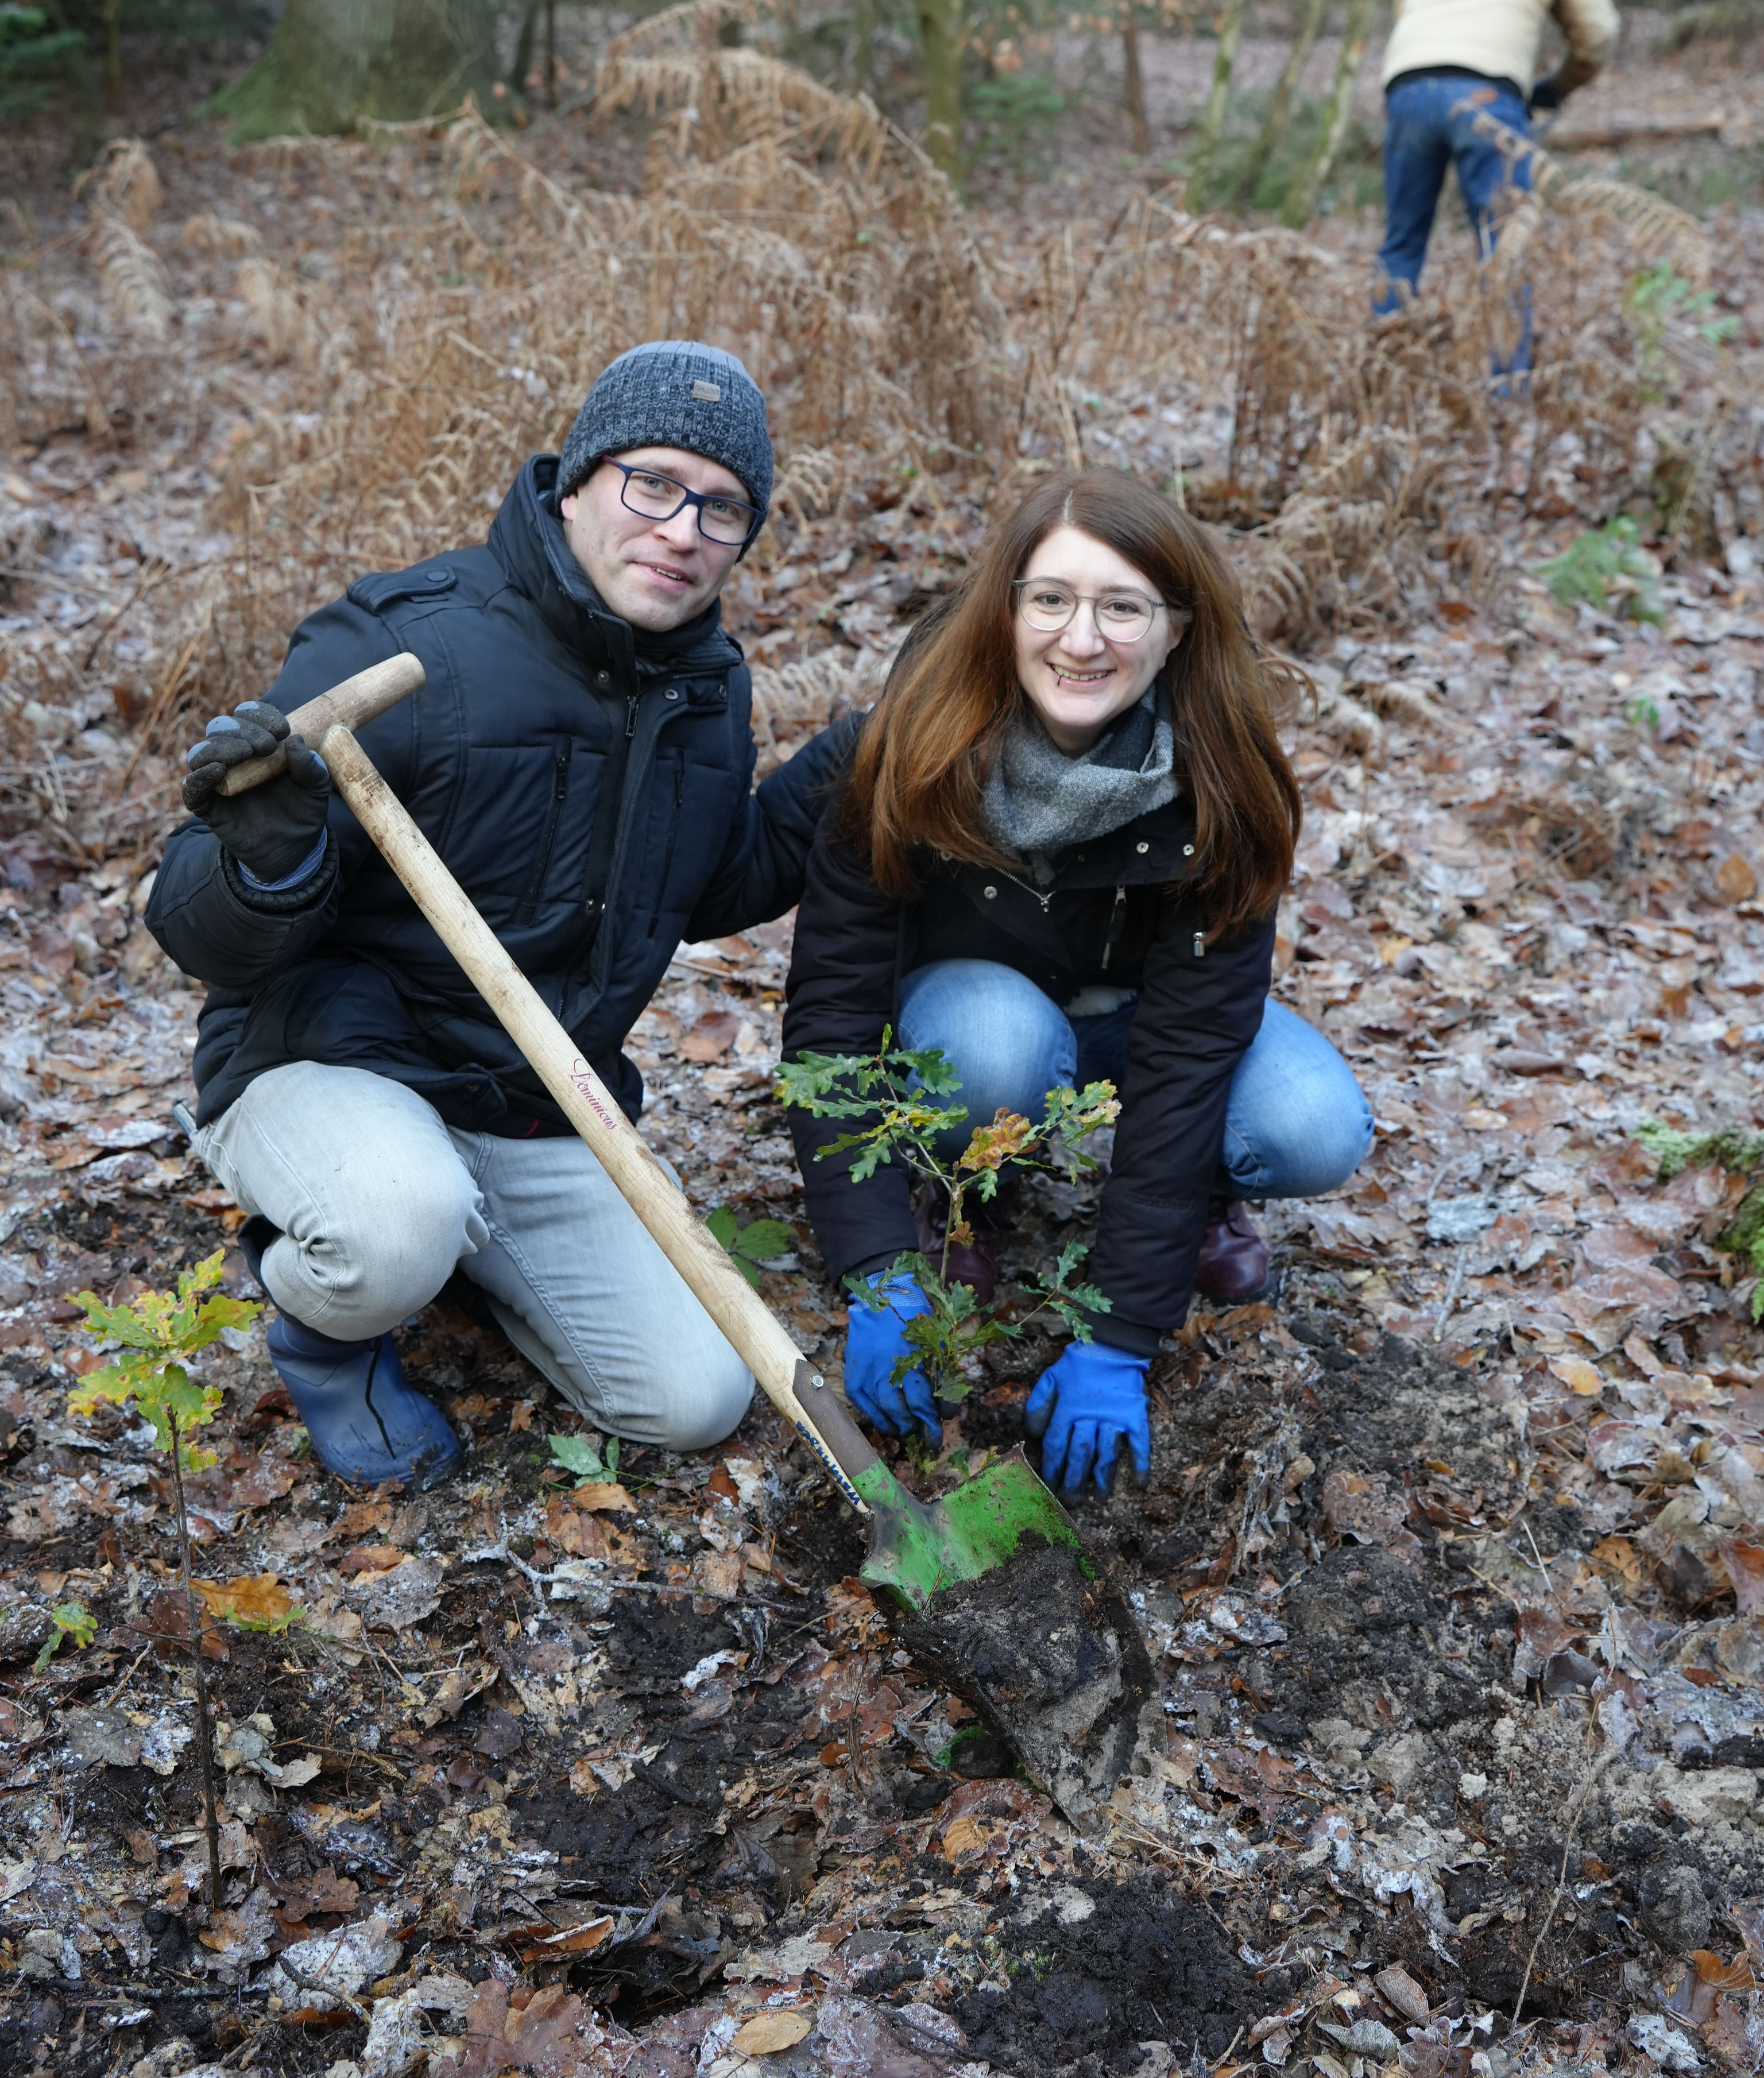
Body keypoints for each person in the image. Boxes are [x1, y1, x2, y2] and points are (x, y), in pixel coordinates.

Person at [149, 340, 850, 1491]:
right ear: (575, 484)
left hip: (532, 1101)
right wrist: (268, 858)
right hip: (328, 1066)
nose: (684, 530)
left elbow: (706, 888)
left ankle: (458, 1249)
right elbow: (187, 924)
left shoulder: (703, 684)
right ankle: (328, 1326)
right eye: (653, 484)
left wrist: (842, 769)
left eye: (723, 508)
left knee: (696, 1396)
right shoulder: (406, 642)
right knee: (394, 1218)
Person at [782, 467, 1372, 1496]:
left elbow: (1190, 1053)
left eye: (1122, 608)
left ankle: (1202, 1200)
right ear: (1006, 609)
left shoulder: (1222, 780)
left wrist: (1121, 1336)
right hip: (975, 1023)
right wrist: (871, 1265)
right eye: (1051, 599)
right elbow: (833, 1011)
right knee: (989, 1046)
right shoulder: (911, 743)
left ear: (1176, 629)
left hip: (1138, 1024)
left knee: (1312, 1125)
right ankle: (969, 1196)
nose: (1081, 639)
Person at [1375, 0, 1619, 342]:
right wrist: (1557, 86)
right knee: (1505, 246)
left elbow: (1408, 16)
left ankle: (1378, 367)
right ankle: (1507, 380)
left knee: (1401, 243)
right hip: (1488, 92)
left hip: (1408, 88)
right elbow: (1597, 32)